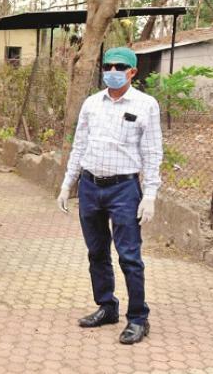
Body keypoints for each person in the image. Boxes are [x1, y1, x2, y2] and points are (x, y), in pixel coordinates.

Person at [57, 47, 163, 344]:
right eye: (108, 66)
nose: (112, 71)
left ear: (133, 72)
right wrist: (68, 184)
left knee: (129, 255)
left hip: (124, 189)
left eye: (120, 67)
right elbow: (79, 146)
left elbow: (153, 152)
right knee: (96, 252)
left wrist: (150, 194)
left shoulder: (146, 105)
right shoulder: (92, 104)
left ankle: (138, 318)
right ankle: (106, 306)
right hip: (91, 186)